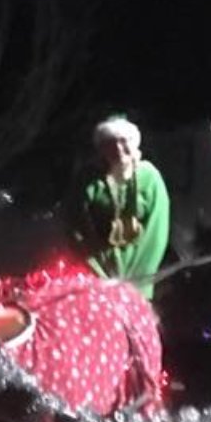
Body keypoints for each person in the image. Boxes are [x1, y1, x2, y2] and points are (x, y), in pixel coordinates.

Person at [65, 113, 170, 300]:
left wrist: (139, 277)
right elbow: (75, 226)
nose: (118, 148)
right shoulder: (88, 179)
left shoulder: (150, 177)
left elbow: (157, 231)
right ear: (101, 149)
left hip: (140, 273)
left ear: (135, 142)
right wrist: (99, 271)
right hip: (98, 274)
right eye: (110, 143)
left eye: (124, 141)